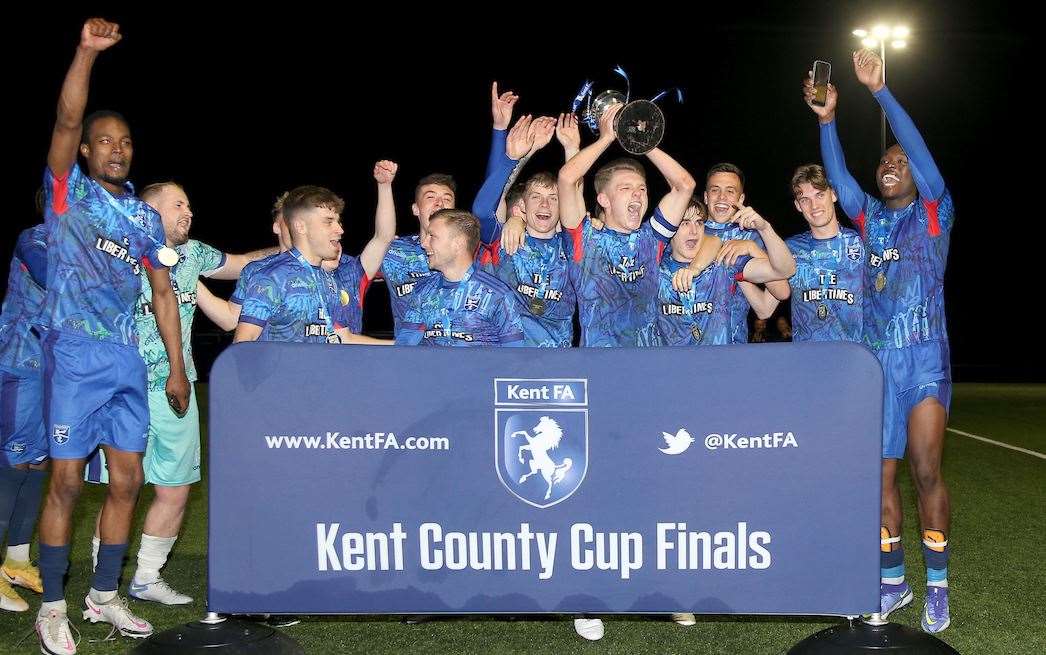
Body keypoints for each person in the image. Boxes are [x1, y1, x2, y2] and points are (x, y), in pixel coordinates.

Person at [34, 18, 190, 652]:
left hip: (127, 361)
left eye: (123, 140)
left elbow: (161, 293)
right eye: (103, 140)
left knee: (127, 482)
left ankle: (103, 594)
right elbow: (67, 124)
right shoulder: (68, 194)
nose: (114, 147)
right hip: (74, 355)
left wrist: (176, 367)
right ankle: (51, 605)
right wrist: (85, 54)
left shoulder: (144, 220)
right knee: (67, 482)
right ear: (89, 151)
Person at [807, 49, 955, 633]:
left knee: (924, 469)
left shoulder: (933, 211)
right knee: (880, 478)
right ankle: (892, 583)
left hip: (923, 358)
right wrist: (826, 119)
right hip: (877, 366)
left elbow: (921, 156)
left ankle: (937, 585)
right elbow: (838, 177)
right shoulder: (867, 217)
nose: (890, 165)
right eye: (885, 160)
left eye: (900, 160)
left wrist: (881, 92)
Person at [0, 224, 48, 614]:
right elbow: (52, 276)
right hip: (21, 361)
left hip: (55, 370)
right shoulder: (36, 238)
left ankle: (16, 560)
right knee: (13, 464)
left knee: (36, 465)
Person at [396, 209, 524, 347]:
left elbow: (514, 354)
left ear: (458, 243)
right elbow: (405, 346)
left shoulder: (497, 294)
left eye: (432, 236)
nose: (424, 243)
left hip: (481, 369)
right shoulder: (423, 291)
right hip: (432, 368)